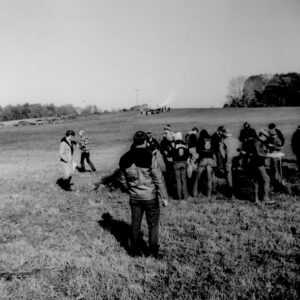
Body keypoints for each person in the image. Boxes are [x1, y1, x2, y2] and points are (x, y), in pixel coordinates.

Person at [119, 131, 168, 258]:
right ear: (146, 142)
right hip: (150, 197)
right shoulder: (150, 155)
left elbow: (123, 179)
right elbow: (158, 178)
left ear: (134, 141)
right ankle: (153, 252)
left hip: (134, 197)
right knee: (153, 224)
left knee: (135, 224)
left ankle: (134, 251)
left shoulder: (124, 158)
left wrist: (130, 189)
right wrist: (164, 196)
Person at [248, 129, 274, 204]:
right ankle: (266, 198)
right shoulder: (258, 142)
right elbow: (258, 153)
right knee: (267, 179)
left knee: (258, 180)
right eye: (265, 136)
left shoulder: (258, 142)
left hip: (255, 163)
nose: (266, 138)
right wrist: (270, 155)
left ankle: (256, 199)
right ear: (261, 135)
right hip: (258, 164)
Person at [193, 130, 216, 197]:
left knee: (197, 178)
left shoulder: (200, 140)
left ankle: (195, 194)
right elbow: (214, 150)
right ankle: (209, 195)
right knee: (209, 179)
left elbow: (197, 151)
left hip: (203, 160)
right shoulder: (211, 140)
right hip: (210, 160)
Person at [219, 130, 241, 199]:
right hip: (237, 158)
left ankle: (231, 193)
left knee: (229, 174)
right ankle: (237, 192)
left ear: (225, 135)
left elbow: (221, 150)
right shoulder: (237, 140)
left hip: (229, 158)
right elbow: (239, 150)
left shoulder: (224, 141)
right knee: (236, 174)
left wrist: (224, 157)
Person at [172, 132, 189, 200]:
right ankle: (185, 195)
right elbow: (187, 154)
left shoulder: (174, 145)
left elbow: (172, 154)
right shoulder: (185, 144)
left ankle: (179, 197)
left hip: (176, 164)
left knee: (178, 180)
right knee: (184, 180)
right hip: (184, 163)